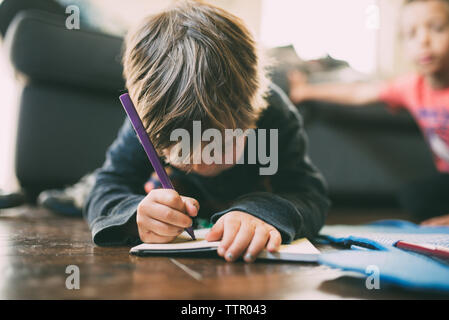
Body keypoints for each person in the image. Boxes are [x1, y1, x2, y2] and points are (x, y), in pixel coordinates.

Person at [84, 0, 330, 263]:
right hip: (180, 214)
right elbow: (106, 186)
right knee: (89, 191)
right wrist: (135, 215)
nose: (204, 160)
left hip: (242, 206)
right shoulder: (147, 120)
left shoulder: (274, 115)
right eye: (184, 150)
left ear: (252, 114)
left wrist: (262, 213)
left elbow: (309, 195)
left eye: (221, 144)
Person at [288, 0, 449, 226]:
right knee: (414, 196)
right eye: (411, 34)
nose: (424, 40)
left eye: (437, 28)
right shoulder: (411, 87)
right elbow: (359, 92)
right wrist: (306, 91)